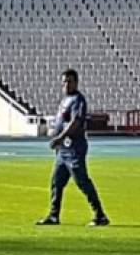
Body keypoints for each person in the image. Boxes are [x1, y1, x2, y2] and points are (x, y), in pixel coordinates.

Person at [37, 69, 109, 227]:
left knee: (82, 181)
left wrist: (60, 137)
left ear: (76, 82)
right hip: (63, 151)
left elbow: (75, 122)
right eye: (64, 82)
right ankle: (54, 215)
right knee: (57, 182)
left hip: (74, 148)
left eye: (69, 81)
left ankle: (100, 215)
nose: (66, 85)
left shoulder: (78, 100)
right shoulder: (65, 100)